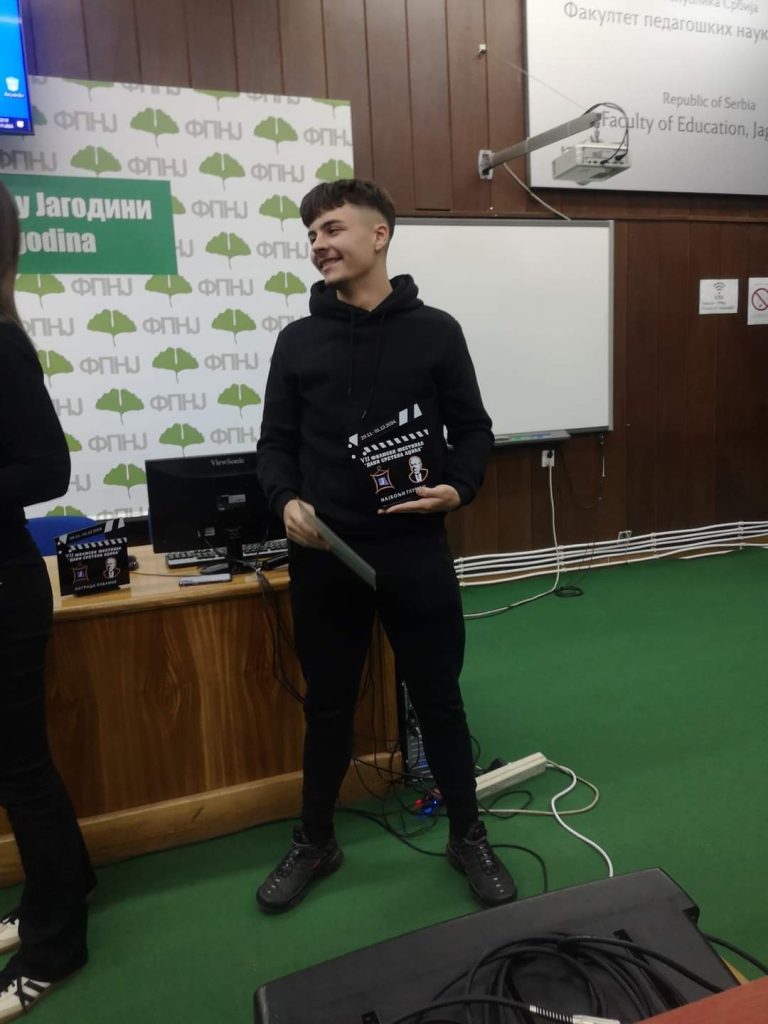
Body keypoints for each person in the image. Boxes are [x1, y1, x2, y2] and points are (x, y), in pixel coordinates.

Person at [255, 178, 516, 912]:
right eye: (310, 234)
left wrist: (459, 486)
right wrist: (286, 501)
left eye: (332, 228)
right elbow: (273, 446)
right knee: (328, 708)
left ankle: (467, 835)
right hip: (327, 556)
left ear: (380, 235)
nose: (318, 244)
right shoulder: (297, 341)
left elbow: (474, 429)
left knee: (439, 700)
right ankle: (316, 841)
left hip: (414, 552)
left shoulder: (436, 332)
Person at [0, 180, 95, 1021]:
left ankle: (55, 943)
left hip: (4, 590)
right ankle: (57, 890)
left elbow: (48, 470)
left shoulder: (2, 342)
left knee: (19, 769)